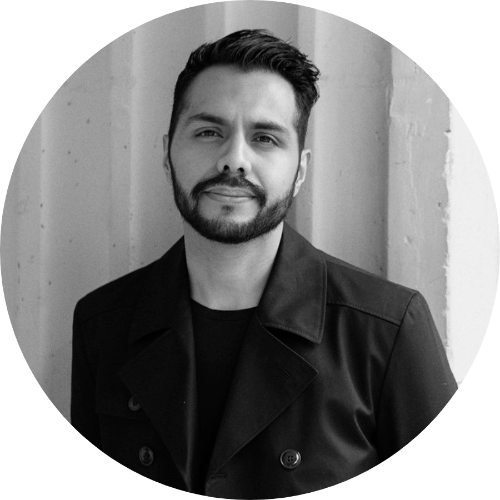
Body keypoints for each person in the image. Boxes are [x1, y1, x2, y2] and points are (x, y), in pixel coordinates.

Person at [71, 29, 457, 498]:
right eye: (209, 132)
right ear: (167, 153)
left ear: (300, 171)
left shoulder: (387, 329)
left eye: (265, 138)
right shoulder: (101, 324)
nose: (234, 160)